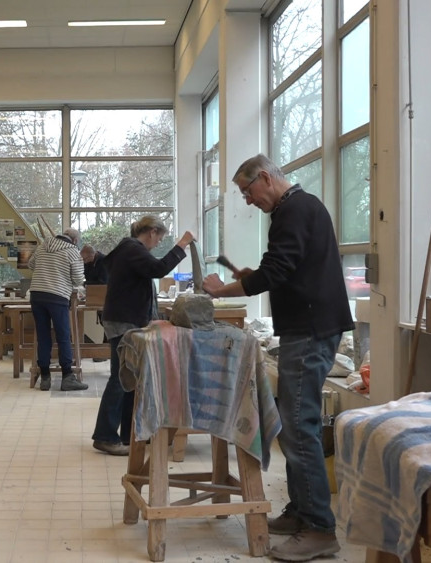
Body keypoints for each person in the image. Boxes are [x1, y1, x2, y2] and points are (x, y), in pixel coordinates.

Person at [201, 154, 353, 562]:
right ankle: (302, 510)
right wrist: (254, 276)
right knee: (294, 425)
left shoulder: (293, 210)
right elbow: (286, 269)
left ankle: (320, 528)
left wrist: (223, 290)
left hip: (310, 329)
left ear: (266, 178)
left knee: (299, 429)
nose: (248, 201)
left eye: (247, 191)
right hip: (308, 325)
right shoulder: (299, 209)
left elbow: (276, 270)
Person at [91, 216, 193, 456]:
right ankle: (105, 435)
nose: (157, 243)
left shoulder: (127, 250)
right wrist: (182, 245)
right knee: (120, 377)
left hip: (126, 319)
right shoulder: (132, 249)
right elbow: (158, 269)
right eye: (159, 238)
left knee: (131, 377)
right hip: (124, 321)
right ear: (151, 232)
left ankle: (129, 433)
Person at [28, 228, 89, 392]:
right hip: (57, 296)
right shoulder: (72, 251)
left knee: (43, 336)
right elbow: (78, 278)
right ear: (75, 240)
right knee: (63, 336)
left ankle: (45, 378)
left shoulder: (43, 246)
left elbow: (31, 264)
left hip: (37, 295)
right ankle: (67, 377)